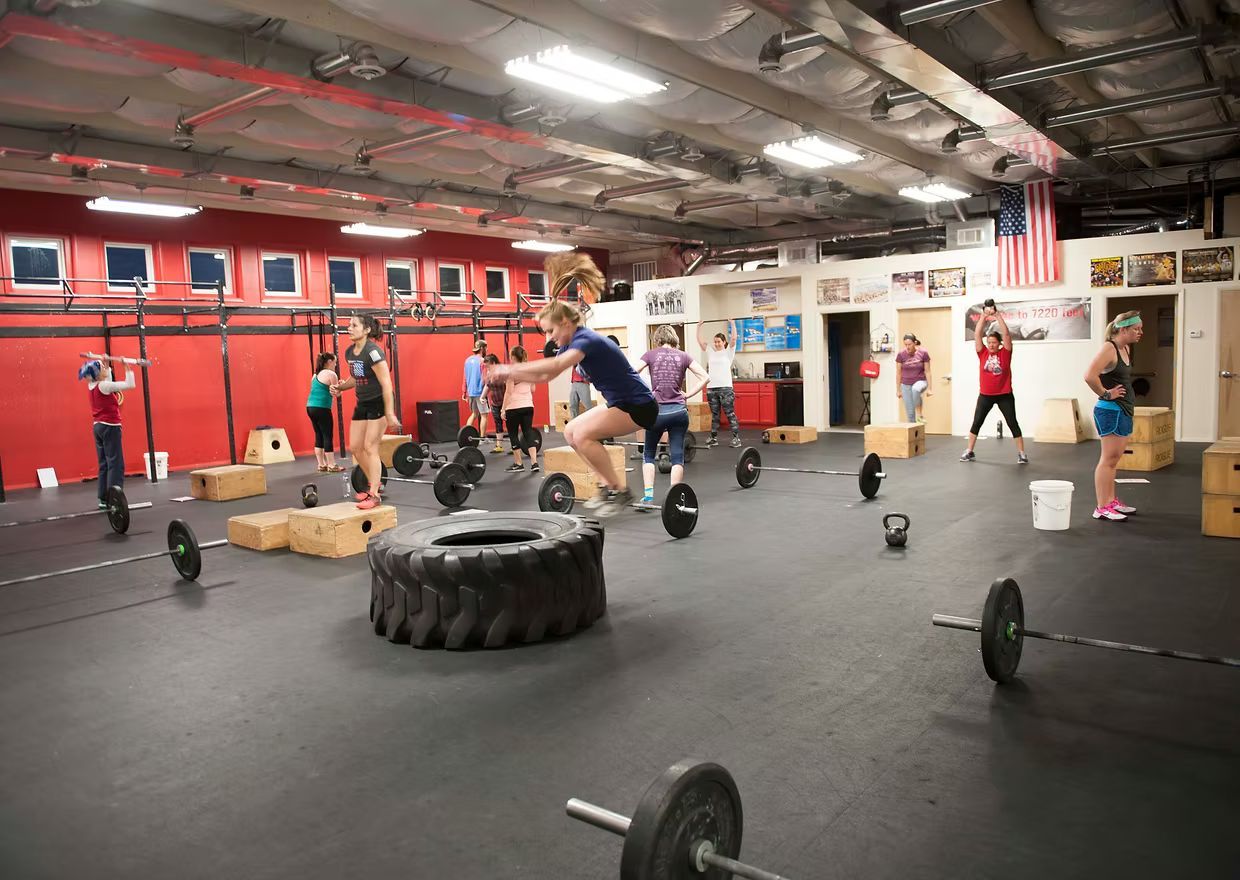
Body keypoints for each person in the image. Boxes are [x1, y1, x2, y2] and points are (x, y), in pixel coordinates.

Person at [485, 252, 657, 516]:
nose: (549, 338)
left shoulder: (586, 340)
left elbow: (554, 367)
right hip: (621, 403)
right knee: (571, 432)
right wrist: (511, 373)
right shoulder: (571, 343)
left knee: (584, 435)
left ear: (566, 323)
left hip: (640, 406)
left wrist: (509, 368)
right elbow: (544, 376)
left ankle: (620, 490)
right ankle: (606, 486)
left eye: (551, 331)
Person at [331, 315, 399, 510]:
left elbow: (386, 383)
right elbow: (355, 378)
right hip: (363, 403)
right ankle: (375, 483)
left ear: (367, 330)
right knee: (356, 447)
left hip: (379, 402)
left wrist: (389, 413)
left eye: (354, 325)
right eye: (349, 325)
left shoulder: (373, 352)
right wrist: (340, 388)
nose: (349, 328)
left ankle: (375, 495)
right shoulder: (350, 352)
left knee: (370, 447)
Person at [637, 325, 709, 504]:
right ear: (674, 338)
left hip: (657, 413)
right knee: (677, 457)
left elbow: (631, 373)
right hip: (679, 411)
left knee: (648, 455)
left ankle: (648, 496)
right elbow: (705, 377)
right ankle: (673, 498)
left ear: (657, 339)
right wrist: (688, 394)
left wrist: (643, 395)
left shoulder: (650, 355)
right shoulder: (683, 356)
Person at [1084, 310, 1143, 522]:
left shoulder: (1125, 347)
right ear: (1123, 329)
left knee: (1114, 460)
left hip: (1123, 409)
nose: (1140, 332)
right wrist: (1106, 393)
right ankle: (1101, 507)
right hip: (1110, 411)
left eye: (1140, 328)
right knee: (1107, 460)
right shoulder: (1109, 348)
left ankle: (1110, 501)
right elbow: (1089, 376)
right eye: (1136, 329)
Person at [961, 304, 1028, 464]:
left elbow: (1006, 334)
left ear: (999, 343)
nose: (991, 345)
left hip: (1004, 395)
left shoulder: (1005, 353)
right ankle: (969, 451)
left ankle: (1022, 454)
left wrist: (997, 315)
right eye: (989, 342)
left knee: (1012, 423)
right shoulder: (982, 352)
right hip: (985, 396)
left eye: (994, 342)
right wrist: (984, 316)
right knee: (977, 422)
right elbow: (977, 334)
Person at [79, 358, 136, 509]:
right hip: (110, 427)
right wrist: (127, 367)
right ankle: (114, 499)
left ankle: (104, 498)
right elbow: (130, 384)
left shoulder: (93, 385)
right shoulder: (104, 386)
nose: (105, 369)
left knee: (104, 463)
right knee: (116, 464)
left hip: (98, 427)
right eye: (103, 368)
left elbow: (106, 381)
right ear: (98, 374)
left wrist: (106, 365)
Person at [696, 319, 740, 448]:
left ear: (724, 342)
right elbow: (700, 342)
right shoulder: (710, 351)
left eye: (719, 341)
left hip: (725, 388)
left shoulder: (728, 352)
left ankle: (736, 438)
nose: (716, 344)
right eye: (715, 342)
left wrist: (732, 324)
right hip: (711, 388)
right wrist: (699, 327)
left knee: (729, 413)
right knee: (715, 415)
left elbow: (734, 339)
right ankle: (714, 438)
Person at [502, 346, 540, 473]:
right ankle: (534, 463)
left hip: (513, 407)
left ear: (513, 357)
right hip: (528, 406)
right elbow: (533, 389)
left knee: (513, 434)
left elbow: (508, 392)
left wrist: (503, 409)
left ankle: (519, 464)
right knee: (528, 432)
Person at [306, 352, 343, 473]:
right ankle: (332, 465)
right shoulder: (331, 374)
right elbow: (336, 393)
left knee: (319, 435)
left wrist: (338, 386)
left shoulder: (315, 375)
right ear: (329, 362)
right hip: (322, 408)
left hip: (310, 407)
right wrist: (342, 387)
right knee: (327, 435)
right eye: (335, 362)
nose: (335, 365)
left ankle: (321, 464)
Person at [895, 333, 932, 423]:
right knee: (910, 414)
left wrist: (930, 389)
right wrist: (898, 390)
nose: (907, 347)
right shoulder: (901, 354)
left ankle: (920, 415)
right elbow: (898, 373)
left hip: (921, 381)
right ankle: (914, 430)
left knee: (915, 389)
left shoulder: (923, 353)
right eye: (905, 345)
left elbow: (927, 371)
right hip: (905, 384)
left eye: (909, 344)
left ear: (915, 343)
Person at [462, 339, 491, 442]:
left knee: (474, 414)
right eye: (486, 347)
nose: (487, 349)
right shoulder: (482, 361)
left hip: (471, 392)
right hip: (480, 392)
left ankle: (465, 436)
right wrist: (486, 391)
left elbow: (465, 377)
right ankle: (482, 438)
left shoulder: (467, 360)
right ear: (482, 348)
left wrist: (464, 392)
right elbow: (485, 378)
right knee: (484, 415)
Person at [484, 353, 506, 454]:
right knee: (498, 423)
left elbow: (509, 386)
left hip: (505, 402)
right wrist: (482, 396)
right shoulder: (489, 373)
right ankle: (499, 446)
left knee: (510, 424)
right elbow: (488, 386)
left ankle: (515, 446)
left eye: (488, 365)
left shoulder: (502, 372)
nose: (487, 368)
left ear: (493, 363)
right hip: (494, 403)